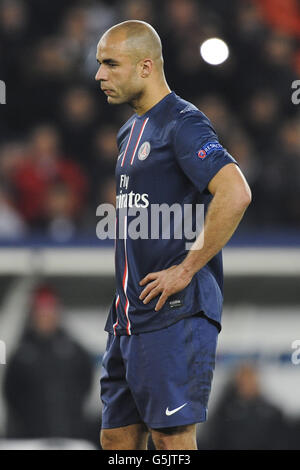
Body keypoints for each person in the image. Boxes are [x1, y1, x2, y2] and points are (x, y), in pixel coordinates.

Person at [95, 20, 251, 450]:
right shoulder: (129, 130)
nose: (99, 75)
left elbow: (235, 193)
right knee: (116, 439)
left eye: (110, 64)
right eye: (98, 65)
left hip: (173, 313)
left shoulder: (183, 122)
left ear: (145, 67)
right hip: (129, 316)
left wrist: (185, 269)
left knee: (171, 441)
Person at [3, 285, 93, 440]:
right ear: (33, 315)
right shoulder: (21, 354)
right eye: (41, 312)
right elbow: (11, 392)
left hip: (70, 434)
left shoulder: (74, 350)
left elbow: (86, 382)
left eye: (50, 311)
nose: (46, 317)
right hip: (31, 438)